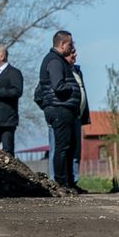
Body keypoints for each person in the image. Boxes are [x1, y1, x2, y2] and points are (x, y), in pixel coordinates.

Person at [36, 30, 81, 189]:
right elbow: (58, 86)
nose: (72, 47)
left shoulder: (59, 60)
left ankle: (68, 182)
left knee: (68, 148)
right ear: (62, 45)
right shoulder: (55, 61)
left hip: (64, 110)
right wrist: (72, 89)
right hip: (59, 110)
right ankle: (61, 183)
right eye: (70, 44)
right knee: (62, 148)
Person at [49, 44, 91, 193]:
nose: (74, 56)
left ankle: (72, 182)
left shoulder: (77, 71)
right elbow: (42, 93)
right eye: (71, 53)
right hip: (62, 114)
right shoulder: (57, 69)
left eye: (75, 53)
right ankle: (58, 182)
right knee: (59, 149)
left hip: (76, 116)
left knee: (74, 151)